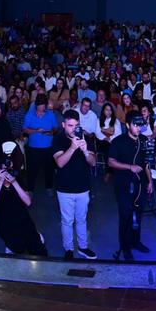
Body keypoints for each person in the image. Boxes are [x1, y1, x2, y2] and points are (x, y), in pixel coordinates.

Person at [106, 114, 154, 261]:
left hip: (141, 183)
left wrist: (150, 181)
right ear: (127, 125)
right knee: (126, 215)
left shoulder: (144, 140)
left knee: (138, 214)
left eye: (140, 125)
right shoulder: (118, 141)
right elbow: (110, 162)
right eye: (135, 125)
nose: (138, 128)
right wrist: (129, 167)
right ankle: (125, 247)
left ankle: (135, 242)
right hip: (123, 184)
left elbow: (147, 163)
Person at [52, 109, 97, 259]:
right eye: (70, 125)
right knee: (67, 220)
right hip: (64, 188)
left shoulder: (86, 138)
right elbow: (59, 163)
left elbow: (93, 162)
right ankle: (68, 249)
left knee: (82, 219)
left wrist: (85, 151)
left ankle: (83, 247)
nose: (73, 128)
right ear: (64, 124)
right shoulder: (58, 139)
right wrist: (72, 147)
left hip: (83, 187)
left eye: (76, 125)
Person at [0, 154, 47, 256]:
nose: (8, 172)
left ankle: (36, 235)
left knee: (39, 250)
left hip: (22, 218)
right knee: (18, 249)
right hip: (6, 221)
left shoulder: (17, 179)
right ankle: (11, 245)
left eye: (9, 169)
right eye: (4, 170)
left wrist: (15, 183)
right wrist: (0, 181)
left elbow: (28, 202)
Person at [23, 94, 57, 192]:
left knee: (49, 169)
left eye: (43, 106)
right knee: (32, 170)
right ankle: (30, 190)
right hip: (34, 147)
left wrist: (52, 132)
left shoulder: (50, 115)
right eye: (39, 106)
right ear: (36, 105)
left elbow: (55, 127)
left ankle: (49, 187)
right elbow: (25, 130)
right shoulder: (30, 115)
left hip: (48, 147)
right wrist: (36, 130)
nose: (41, 109)